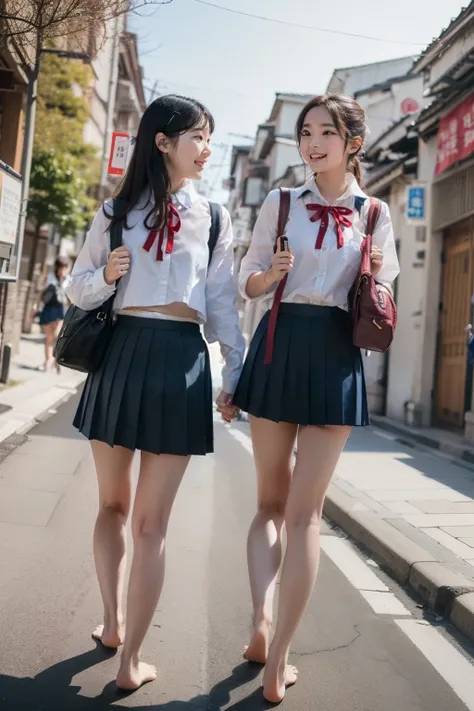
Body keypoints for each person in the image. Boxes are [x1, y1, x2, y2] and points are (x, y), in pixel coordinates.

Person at [66, 95, 245, 691]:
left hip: (182, 361)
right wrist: (108, 275)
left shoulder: (215, 217)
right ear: (163, 142)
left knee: (151, 524)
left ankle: (130, 660)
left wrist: (234, 374)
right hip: (120, 355)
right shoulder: (116, 211)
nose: (207, 149)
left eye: (210, 137)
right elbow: (78, 287)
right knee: (112, 506)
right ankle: (114, 624)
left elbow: (221, 302)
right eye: (198, 136)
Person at [232, 93, 400, 703]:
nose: (312, 142)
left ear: (353, 142)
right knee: (271, 502)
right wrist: (272, 273)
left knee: (306, 513)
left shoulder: (376, 213)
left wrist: (372, 272)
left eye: (326, 132)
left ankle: (279, 656)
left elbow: (380, 301)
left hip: (335, 353)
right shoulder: (279, 203)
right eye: (306, 132)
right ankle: (261, 622)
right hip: (278, 342)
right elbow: (245, 279)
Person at [38, 256, 71, 372]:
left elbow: (70, 299)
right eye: (61, 267)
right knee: (49, 337)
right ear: (57, 267)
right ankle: (47, 361)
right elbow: (41, 293)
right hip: (48, 309)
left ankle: (52, 361)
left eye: (65, 267)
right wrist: (36, 307)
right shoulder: (49, 277)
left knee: (56, 337)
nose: (63, 270)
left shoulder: (69, 280)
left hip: (60, 310)